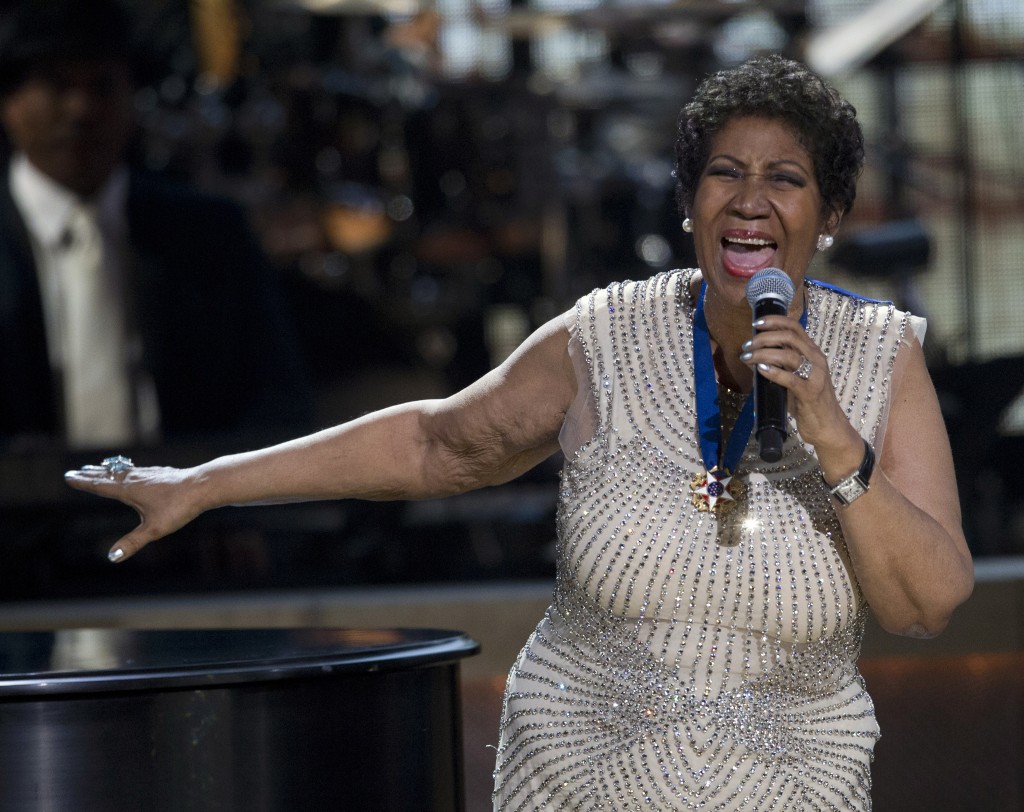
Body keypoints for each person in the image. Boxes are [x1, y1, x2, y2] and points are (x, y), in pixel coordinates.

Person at [66, 55, 973, 810]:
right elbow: (435, 444)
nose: (749, 200)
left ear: (832, 215)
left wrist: (836, 442)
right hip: (575, 780)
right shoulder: (605, 337)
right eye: (725, 173)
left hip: (794, 789)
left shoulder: (880, 359)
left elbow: (924, 605)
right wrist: (208, 482)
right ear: (689, 204)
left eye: (786, 178)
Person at [0, 0, 312, 452]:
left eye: (103, 86)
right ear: (9, 102)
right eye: (57, 84)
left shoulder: (209, 236)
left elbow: (277, 406)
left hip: (188, 514)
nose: (81, 109)